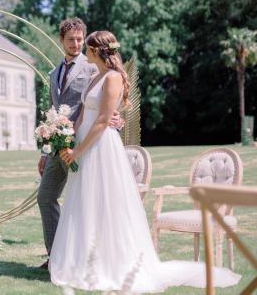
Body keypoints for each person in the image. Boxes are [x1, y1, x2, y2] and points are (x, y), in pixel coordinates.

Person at [49, 30, 240, 292]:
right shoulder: (96, 75)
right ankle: (83, 261)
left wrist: (78, 151)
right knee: (84, 202)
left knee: (104, 203)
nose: (85, 51)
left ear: (95, 51)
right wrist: (70, 140)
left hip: (100, 148)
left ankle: (109, 264)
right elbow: (84, 114)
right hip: (83, 144)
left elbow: (104, 120)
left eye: (88, 47)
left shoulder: (114, 78)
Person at [37, 18, 122, 270]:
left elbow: (110, 100)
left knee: (86, 203)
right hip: (58, 147)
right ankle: (56, 256)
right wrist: (45, 151)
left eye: (79, 39)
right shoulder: (54, 73)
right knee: (46, 197)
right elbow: (54, 111)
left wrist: (116, 120)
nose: (76, 44)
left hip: (86, 145)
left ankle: (88, 258)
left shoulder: (94, 66)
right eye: (71, 39)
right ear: (61, 40)